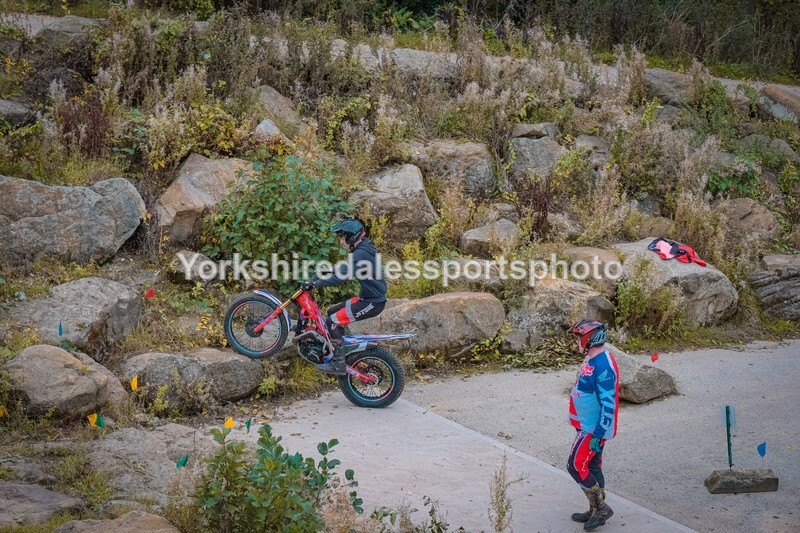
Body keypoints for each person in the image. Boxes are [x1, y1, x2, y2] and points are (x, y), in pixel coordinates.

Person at [306, 219, 387, 375]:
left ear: (351, 237)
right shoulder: (363, 248)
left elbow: (341, 278)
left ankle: (338, 364)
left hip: (372, 302)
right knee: (331, 312)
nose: (341, 240)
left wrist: (315, 284)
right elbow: (345, 269)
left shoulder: (361, 253)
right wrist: (324, 272)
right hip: (366, 298)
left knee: (333, 322)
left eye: (342, 237)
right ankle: (345, 350)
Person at [566, 319, 619, 531]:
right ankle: (595, 510)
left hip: (592, 428)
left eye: (579, 338)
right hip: (585, 424)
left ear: (589, 339)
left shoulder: (603, 366)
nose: (577, 342)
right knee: (592, 465)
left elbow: (609, 404)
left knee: (575, 466)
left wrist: (598, 434)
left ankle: (602, 508)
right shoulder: (593, 359)